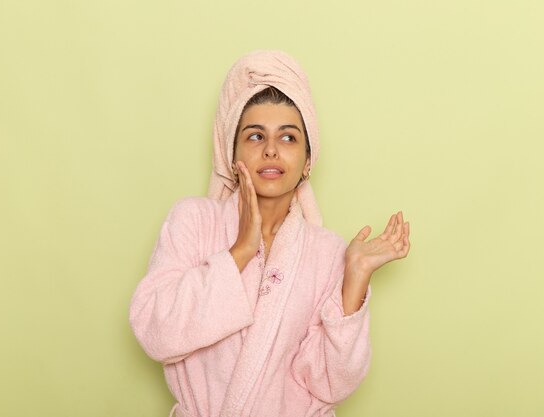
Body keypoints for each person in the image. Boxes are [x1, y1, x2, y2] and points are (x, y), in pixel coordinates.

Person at [129, 50, 411, 417]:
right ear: (233, 156)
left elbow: (330, 384)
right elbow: (156, 331)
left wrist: (354, 279)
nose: (272, 150)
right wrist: (241, 250)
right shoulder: (194, 221)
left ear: (308, 160)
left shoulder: (326, 253)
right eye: (255, 136)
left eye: (289, 138)